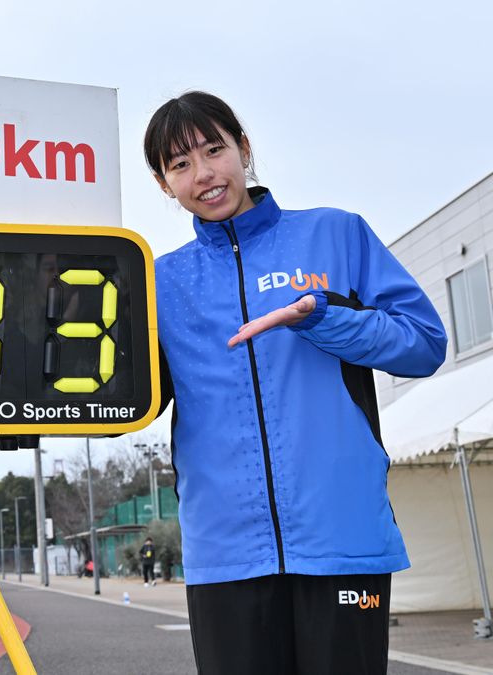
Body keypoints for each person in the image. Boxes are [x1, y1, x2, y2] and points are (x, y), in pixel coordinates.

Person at [145, 91, 446, 674]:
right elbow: (128, 401)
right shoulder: (161, 282)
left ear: (244, 148)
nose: (204, 174)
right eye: (181, 164)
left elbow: (424, 345)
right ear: (164, 183)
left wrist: (325, 319)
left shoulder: (338, 235)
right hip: (225, 553)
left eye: (215, 149)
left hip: (343, 540)